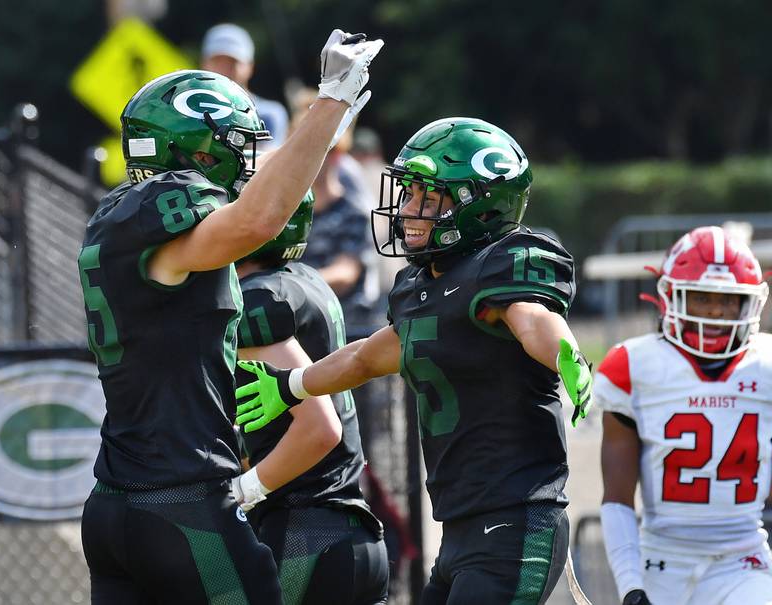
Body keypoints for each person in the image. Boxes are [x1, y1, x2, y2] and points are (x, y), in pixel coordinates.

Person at [78, 29, 383, 604]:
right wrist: (332, 100)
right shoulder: (164, 217)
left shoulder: (117, 214)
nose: (244, 163)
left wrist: (319, 124)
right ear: (196, 150)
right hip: (184, 503)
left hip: (114, 502)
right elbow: (255, 221)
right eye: (234, 145)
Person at [234, 117, 594, 604]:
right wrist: (293, 385)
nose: (408, 211)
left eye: (426, 198)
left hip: (518, 518)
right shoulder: (420, 286)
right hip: (462, 528)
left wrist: (565, 353)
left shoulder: (502, 266)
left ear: (478, 205)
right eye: (407, 195)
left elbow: (532, 318)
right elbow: (367, 355)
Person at [595, 226, 772, 605]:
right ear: (671, 296)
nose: (715, 311)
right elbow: (617, 498)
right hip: (660, 561)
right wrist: (630, 586)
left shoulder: (766, 366)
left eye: (728, 300)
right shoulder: (633, 366)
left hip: (742, 557)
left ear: (750, 303)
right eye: (702, 297)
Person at [232, 188, 389, 604]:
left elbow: (320, 428)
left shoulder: (258, 301)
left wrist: (243, 491)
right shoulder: (303, 279)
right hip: (346, 529)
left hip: (305, 534)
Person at [201, 23, 289, 148]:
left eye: (233, 62)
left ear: (250, 67)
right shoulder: (189, 108)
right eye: (218, 61)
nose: (224, 69)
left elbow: (266, 160)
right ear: (204, 63)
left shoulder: (269, 114)